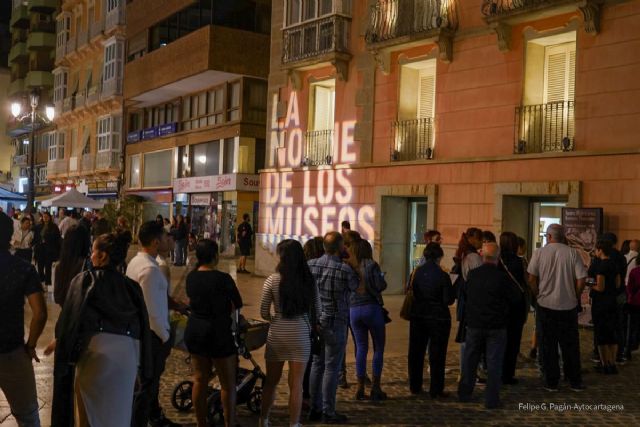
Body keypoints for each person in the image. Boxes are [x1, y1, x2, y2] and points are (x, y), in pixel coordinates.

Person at [50, 233, 152, 427]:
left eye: (93, 251)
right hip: (128, 356)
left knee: (89, 416)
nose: (91, 256)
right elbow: (142, 326)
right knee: (119, 416)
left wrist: (61, 341)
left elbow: (69, 321)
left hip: (95, 354)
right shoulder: (132, 287)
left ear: (103, 255)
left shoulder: (83, 281)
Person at [259, 239, 320, 427]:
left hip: (277, 333)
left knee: (271, 382)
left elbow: (263, 311)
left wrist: (274, 318)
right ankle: (294, 423)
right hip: (301, 334)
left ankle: (264, 420)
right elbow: (317, 310)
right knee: (297, 385)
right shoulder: (309, 280)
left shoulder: (272, 279)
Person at [127, 221, 181, 427]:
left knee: (146, 385)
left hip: (144, 335)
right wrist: (165, 336)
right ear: (156, 242)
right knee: (147, 387)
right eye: (166, 237)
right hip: (152, 337)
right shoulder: (150, 269)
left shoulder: (137, 262)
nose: (170, 240)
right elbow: (152, 312)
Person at [185, 239, 243, 427]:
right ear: (215, 256)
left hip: (195, 330)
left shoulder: (191, 277)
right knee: (227, 383)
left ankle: (201, 423)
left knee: (200, 379)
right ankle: (229, 422)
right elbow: (237, 303)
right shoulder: (223, 279)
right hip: (218, 332)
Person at [458, 242, 521, 409]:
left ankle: (465, 393)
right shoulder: (502, 277)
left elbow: (465, 294)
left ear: (482, 256)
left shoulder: (473, 275)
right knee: (494, 363)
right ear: (498, 258)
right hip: (496, 325)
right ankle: (491, 399)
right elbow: (516, 297)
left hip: (475, 324)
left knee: (470, 360)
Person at [0, 212, 47, 427]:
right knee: (28, 416)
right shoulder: (23, 268)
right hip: (12, 351)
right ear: (10, 236)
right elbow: (40, 313)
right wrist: (31, 346)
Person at [527, 224, 587, 392]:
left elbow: (531, 278)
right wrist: (575, 295)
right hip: (568, 306)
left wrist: (538, 294)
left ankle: (551, 381)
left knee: (548, 344)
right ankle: (574, 380)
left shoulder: (539, 253)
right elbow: (581, 279)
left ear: (549, 237)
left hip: (546, 305)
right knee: (570, 345)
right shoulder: (572, 253)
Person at [308, 231, 359, 424]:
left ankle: (314, 408)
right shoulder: (345, 270)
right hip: (336, 320)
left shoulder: (310, 265)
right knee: (331, 366)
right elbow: (357, 287)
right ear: (340, 248)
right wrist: (353, 262)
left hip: (317, 321)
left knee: (316, 363)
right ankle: (328, 411)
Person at [408, 243, 454, 398]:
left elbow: (411, 291)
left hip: (418, 315)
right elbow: (448, 300)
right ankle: (436, 389)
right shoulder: (443, 275)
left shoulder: (416, 273)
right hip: (438, 317)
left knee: (416, 352)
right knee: (437, 354)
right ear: (439, 257)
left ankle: (415, 385)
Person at [348, 239, 388, 401]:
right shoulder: (372, 265)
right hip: (371, 308)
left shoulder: (349, 266)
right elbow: (380, 286)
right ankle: (376, 387)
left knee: (361, 347)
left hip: (353, 310)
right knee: (378, 348)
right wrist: (382, 278)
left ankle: (360, 387)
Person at [498, 232, 528, 385]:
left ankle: (496, 371)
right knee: (513, 341)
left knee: (498, 340)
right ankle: (508, 374)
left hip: (499, 305)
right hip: (516, 305)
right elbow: (527, 282)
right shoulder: (520, 261)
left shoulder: (497, 260)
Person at [589, 239, 621, 374]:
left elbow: (600, 287)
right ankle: (613, 363)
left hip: (601, 304)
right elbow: (618, 284)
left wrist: (590, 285)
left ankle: (605, 364)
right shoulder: (614, 265)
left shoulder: (601, 266)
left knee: (601, 334)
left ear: (600, 250)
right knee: (612, 334)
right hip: (613, 302)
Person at [454, 228, 483, 369]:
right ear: (472, 238)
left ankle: (465, 370)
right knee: (470, 338)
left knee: (466, 337)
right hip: (473, 300)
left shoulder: (465, 254)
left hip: (466, 299)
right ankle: (469, 370)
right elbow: (479, 280)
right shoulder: (474, 257)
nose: (481, 242)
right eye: (479, 239)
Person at [302, 237, 325, 405]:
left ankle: (305, 394)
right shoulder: (326, 266)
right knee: (318, 360)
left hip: (305, 321)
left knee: (307, 360)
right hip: (318, 319)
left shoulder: (303, 270)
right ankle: (314, 395)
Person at [53, 225, 91, 307]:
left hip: (66, 314)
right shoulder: (88, 265)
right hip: (84, 314)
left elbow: (57, 297)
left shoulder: (60, 265)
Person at [37, 211, 61, 288]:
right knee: (40, 267)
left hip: (49, 250)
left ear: (50, 217)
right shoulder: (39, 226)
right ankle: (42, 281)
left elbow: (57, 239)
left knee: (48, 268)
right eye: (44, 217)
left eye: (47, 216)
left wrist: (57, 252)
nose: (45, 218)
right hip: (40, 250)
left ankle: (47, 284)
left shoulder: (54, 227)